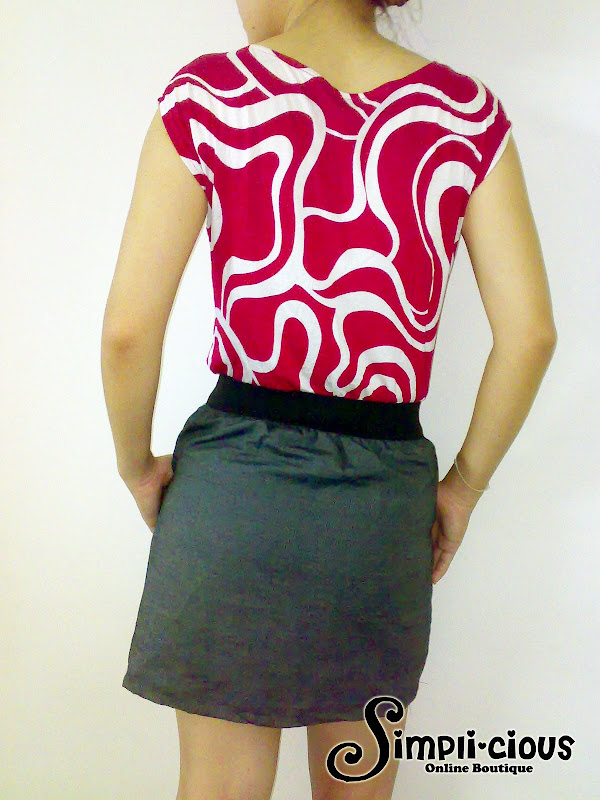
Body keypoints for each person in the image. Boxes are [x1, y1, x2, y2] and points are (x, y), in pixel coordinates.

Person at [101, 0, 557, 797]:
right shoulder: (467, 116)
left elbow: (127, 333)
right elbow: (531, 336)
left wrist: (137, 465)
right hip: (381, 511)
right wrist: (462, 487)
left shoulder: (209, 95)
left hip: (229, 495)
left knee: (218, 788)